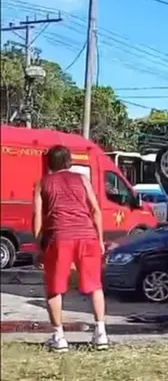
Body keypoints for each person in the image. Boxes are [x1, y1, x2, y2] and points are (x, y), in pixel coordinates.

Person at [33, 145, 109, 352]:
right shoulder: (82, 180)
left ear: (49, 162)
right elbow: (96, 210)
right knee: (95, 285)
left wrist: (39, 246)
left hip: (59, 238)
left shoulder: (42, 183)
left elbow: (38, 217)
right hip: (88, 236)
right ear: (69, 161)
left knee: (54, 288)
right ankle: (100, 333)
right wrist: (100, 239)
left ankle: (59, 338)